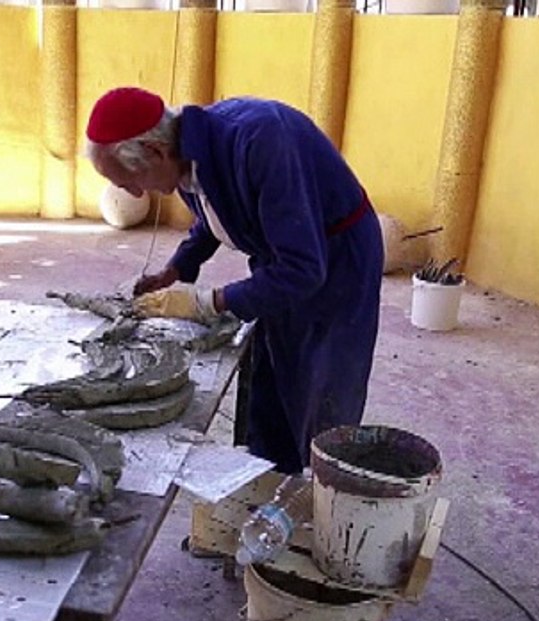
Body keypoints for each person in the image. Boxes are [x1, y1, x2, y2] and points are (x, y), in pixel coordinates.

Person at [83, 87, 384, 475]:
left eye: (131, 182)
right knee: (273, 380)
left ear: (155, 151)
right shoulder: (187, 151)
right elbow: (215, 209)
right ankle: (269, 479)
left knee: (324, 385)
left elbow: (304, 269)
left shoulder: (261, 143)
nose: (138, 193)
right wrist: (177, 268)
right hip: (283, 254)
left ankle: (322, 491)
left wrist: (209, 302)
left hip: (338, 256)